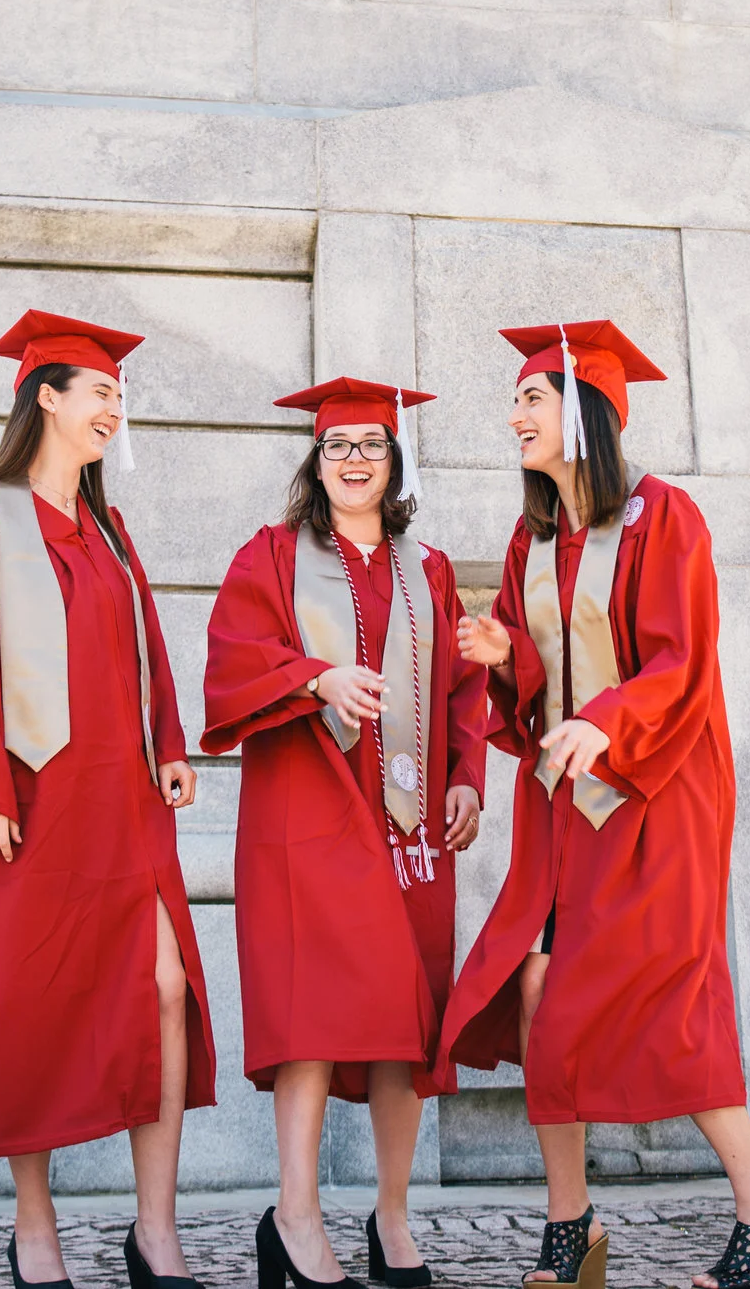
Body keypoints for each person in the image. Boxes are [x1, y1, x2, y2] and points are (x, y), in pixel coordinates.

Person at [442, 322, 750, 1289]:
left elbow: (680, 661)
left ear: (586, 412)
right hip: (564, 801)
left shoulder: (667, 516)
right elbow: (542, 682)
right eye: (517, 398)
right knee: (535, 986)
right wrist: (504, 662)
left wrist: (605, 721)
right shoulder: (532, 536)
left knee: (669, 993)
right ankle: (571, 1229)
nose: (514, 413)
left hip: (660, 790)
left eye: (532, 397)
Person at [0, 310, 217, 1289]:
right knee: (28, 1006)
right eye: (100, 391)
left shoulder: (110, 532)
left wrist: (168, 745)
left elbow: (144, 652)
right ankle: (35, 1223)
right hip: (27, 799)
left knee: (163, 991)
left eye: (120, 394)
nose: (115, 406)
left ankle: (154, 1233)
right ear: (47, 397)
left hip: (123, 805)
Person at [203, 378, 492, 1289]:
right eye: (339, 447)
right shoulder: (271, 557)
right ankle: (294, 1215)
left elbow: (460, 693)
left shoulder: (430, 568)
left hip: (408, 822)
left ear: (394, 460)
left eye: (371, 445)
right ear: (316, 461)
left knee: (406, 1021)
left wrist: (467, 778)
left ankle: (394, 1216)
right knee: (311, 1012)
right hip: (311, 815)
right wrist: (316, 678)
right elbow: (232, 656)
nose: (356, 460)